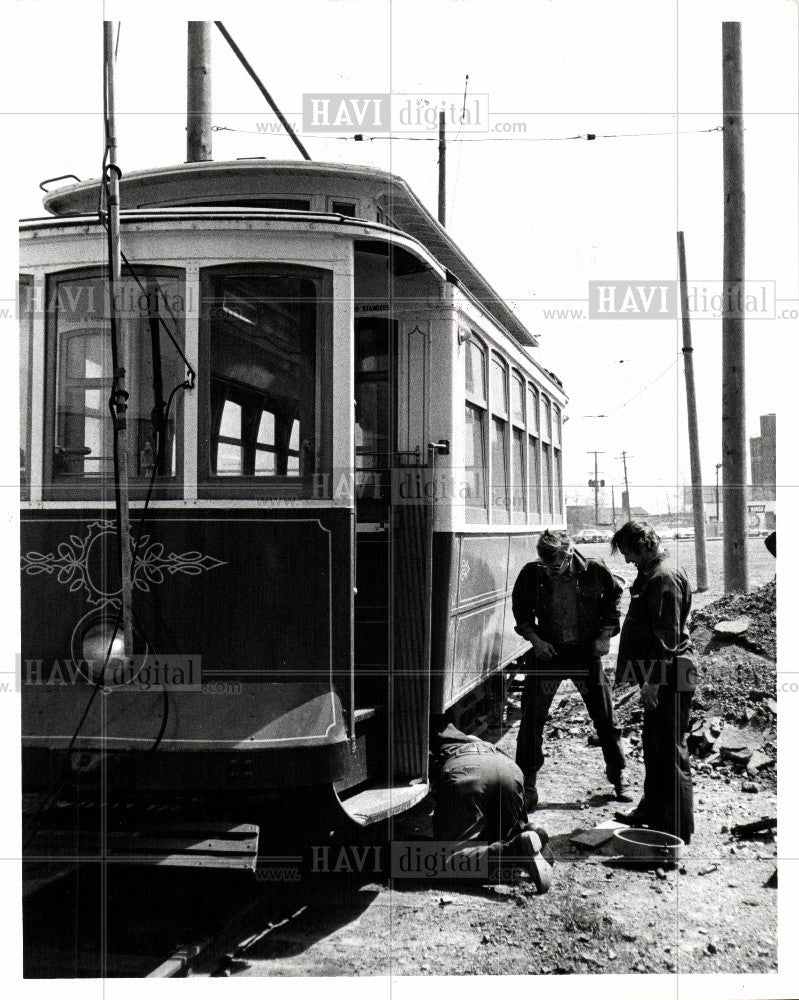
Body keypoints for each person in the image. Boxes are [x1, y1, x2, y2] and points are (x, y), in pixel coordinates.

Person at [511, 529, 628, 811]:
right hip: (548, 655)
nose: (550, 572)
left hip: (584, 656)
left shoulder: (594, 569)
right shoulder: (532, 573)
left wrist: (605, 635)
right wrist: (536, 641)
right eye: (546, 566)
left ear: (568, 553)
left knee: (604, 716)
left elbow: (615, 597)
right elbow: (521, 613)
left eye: (556, 566)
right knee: (531, 721)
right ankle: (528, 785)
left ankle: (617, 775)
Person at [610, 521, 696, 844]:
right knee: (654, 745)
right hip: (663, 674)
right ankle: (652, 810)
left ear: (645, 545)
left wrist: (651, 684)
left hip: (670, 675)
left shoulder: (664, 577)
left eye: (630, 553)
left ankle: (677, 829)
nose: (629, 561)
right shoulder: (654, 571)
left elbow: (667, 640)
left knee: (671, 749)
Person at [431, 721, 552, 891]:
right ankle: (527, 833)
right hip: (507, 768)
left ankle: (516, 851)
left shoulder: (422, 739)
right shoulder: (462, 735)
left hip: (466, 771)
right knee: (497, 839)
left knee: (448, 861)